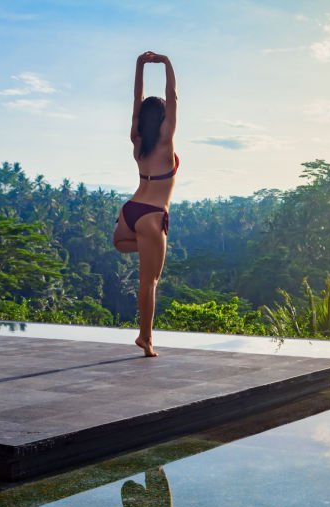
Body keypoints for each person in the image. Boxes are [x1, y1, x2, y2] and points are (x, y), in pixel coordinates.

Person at [113, 51, 178, 357]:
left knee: (124, 245)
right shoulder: (166, 141)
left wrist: (139, 65)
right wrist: (166, 64)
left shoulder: (137, 139)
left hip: (131, 211)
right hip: (153, 215)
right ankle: (146, 338)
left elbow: (136, 100)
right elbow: (172, 96)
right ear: (164, 119)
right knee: (149, 280)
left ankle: (145, 335)